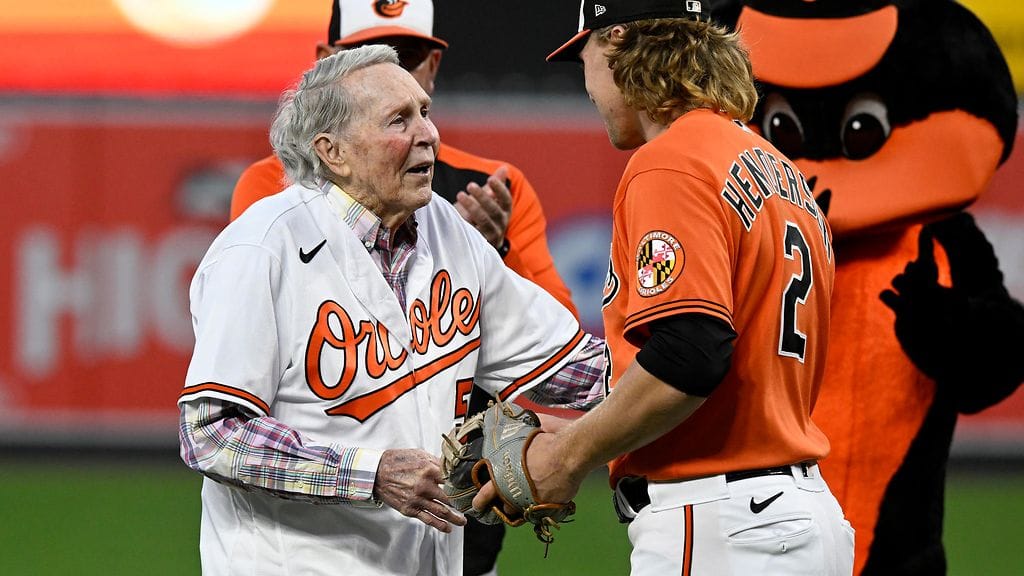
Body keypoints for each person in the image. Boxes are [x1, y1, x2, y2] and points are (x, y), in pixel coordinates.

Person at [178, 45, 605, 576]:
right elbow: (213, 433)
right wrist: (370, 474)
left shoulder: (448, 231)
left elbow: (578, 370)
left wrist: (678, 366)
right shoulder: (262, 248)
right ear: (333, 152)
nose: (428, 134)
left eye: (425, 112)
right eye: (399, 120)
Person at [474, 2, 854, 574]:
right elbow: (722, 365)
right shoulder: (775, 167)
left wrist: (567, 457)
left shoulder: (671, 161)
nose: (586, 80)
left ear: (620, 40)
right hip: (795, 517)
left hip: (722, 522)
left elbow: (690, 354)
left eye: (586, 54)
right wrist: (593, 425)